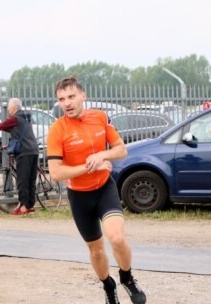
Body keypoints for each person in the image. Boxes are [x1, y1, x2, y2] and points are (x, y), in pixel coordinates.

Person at [47, 76, 146, 304]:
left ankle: (127, 279)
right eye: (62, 99)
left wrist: (102, 154)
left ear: (83, 96)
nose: (67, 103)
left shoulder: (100, 117)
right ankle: (108, 286)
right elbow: (56, 172)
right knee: (97, 251)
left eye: (71, 96)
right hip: (80, 197)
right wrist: (89, 166)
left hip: (104, 189)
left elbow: (121, 150)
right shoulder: (57, 129)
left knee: (118, 238)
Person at [0, 98, 39, 215]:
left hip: (24, 152)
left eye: (9, 107)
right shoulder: (24, 117)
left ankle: (24, 207)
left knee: (23, 180)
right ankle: (29, 205)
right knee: (31, 179)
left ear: (14, 107)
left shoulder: (14, 118)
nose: (8, 109)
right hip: (33, 150)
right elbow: (6, 127)